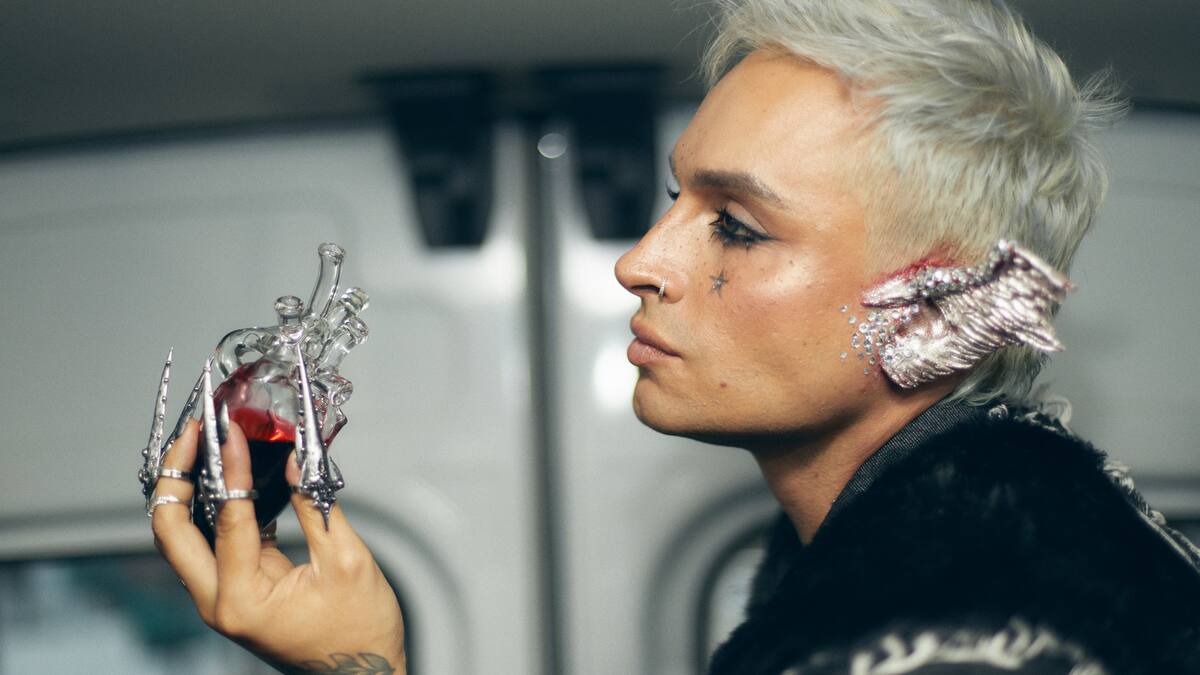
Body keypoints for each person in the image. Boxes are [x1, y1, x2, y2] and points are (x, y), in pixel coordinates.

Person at [149, 0, 1200, 673]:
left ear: (932, 306)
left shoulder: (973, 609)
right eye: (673, 201)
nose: (639, 261)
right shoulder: (960, 549)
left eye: (735, 225)